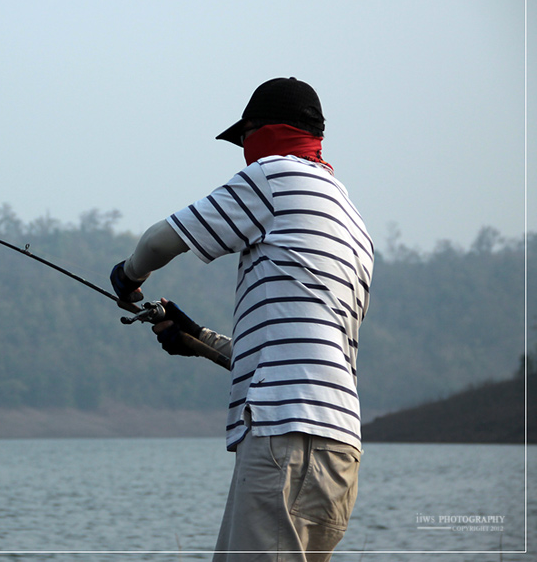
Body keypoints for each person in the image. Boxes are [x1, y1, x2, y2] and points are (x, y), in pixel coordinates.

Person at [110, 77, 373, 561]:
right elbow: (296, 354)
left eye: (245, 138)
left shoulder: (275, 175)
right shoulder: (351, 217)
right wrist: (197, 338)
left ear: (260, 130)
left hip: (284, 437)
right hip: (338, 450)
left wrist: (127, 277)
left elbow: (158, 242)